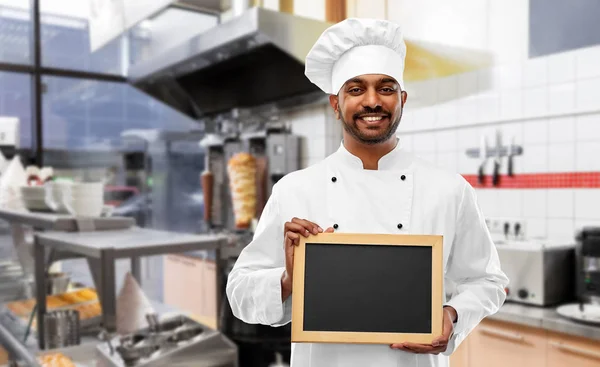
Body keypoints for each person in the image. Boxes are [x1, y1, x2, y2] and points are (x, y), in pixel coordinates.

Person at [226, 17, 509, 367]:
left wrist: (452, 315)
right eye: (356, 89)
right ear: (335, 103)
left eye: (386, 88)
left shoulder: (450, 190)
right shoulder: (294, 190)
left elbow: (488, 281)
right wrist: (288, 280)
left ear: (402, 99)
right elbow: (239, 293)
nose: (372, 101)